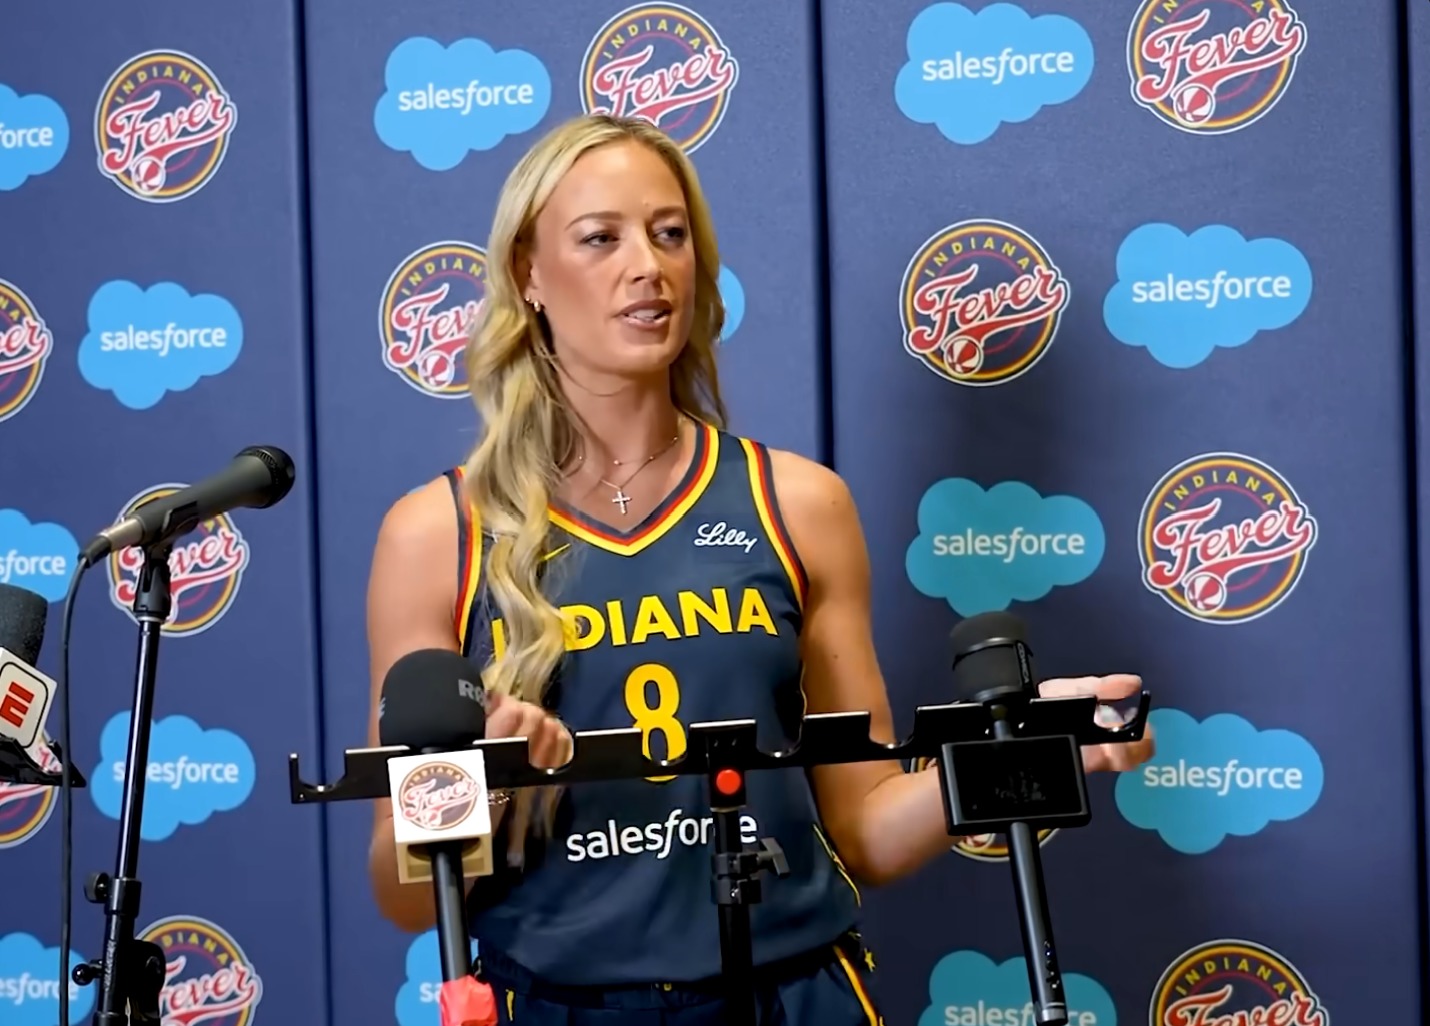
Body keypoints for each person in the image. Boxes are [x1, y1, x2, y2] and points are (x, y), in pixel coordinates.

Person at [364, 112, 1155, 1026]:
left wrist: (1032, 754)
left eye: (669, 234)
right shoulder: (437, 534)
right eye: (600, 238)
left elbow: (865, 827)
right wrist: (491, 788)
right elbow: (402, 894)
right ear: (528, 275)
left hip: (793, 997)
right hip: (557, 1007)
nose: (647, 266)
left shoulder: (799, 504)